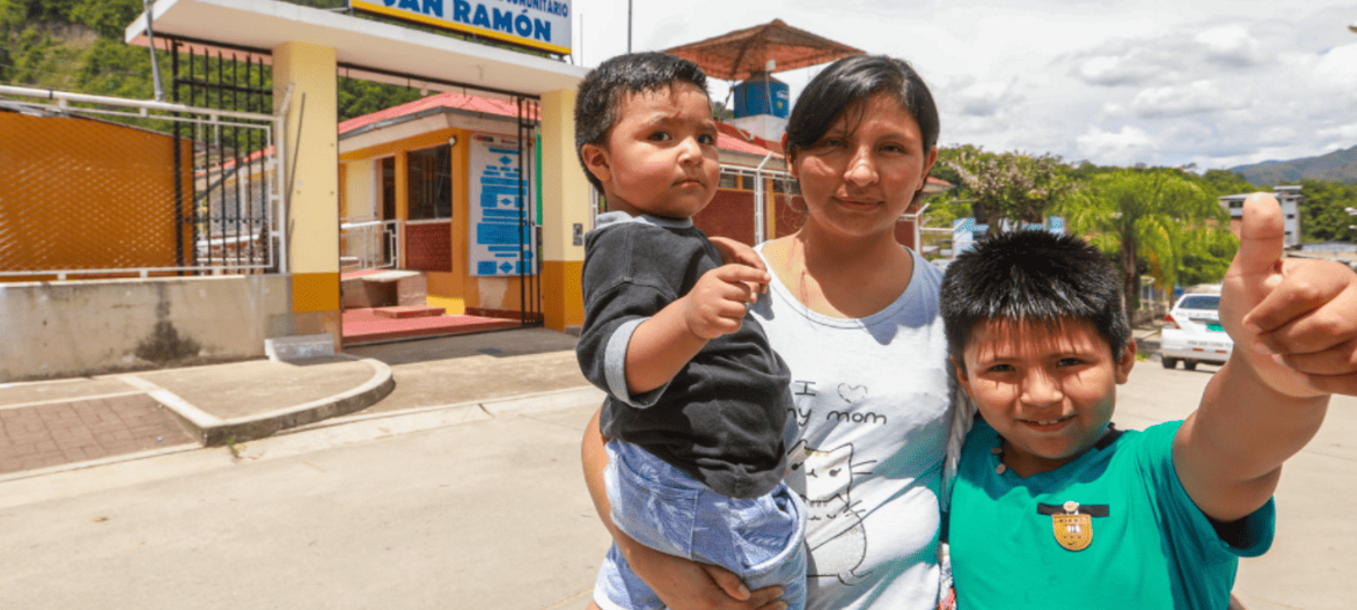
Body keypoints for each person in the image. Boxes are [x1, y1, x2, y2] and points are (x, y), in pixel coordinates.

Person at [583, 53, 963, 610]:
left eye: (891, 148)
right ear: (790, 154)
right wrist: (657, 569)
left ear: (926, 163)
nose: (860, 172)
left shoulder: (958, 311)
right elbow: (606, 434)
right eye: (833, 144)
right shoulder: (722, 287)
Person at [940, 198, 1357, 609]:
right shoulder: (958, 460)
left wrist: (1268, 376)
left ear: (1123, 358)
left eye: (1068, 362)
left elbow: (1235, 445)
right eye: (1002, 369)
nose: (1041, 395)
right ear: (965, 377)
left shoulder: (1157, 474)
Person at [574, 52, 806, 610]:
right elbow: (612, 361)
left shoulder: (665, 237)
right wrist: (689, 316)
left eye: (706, 137)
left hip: (697, 480)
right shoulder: (628, 246)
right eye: (660, 135)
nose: (693, 153)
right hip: (703, 484)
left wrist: (709, 253)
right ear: (600, 161)